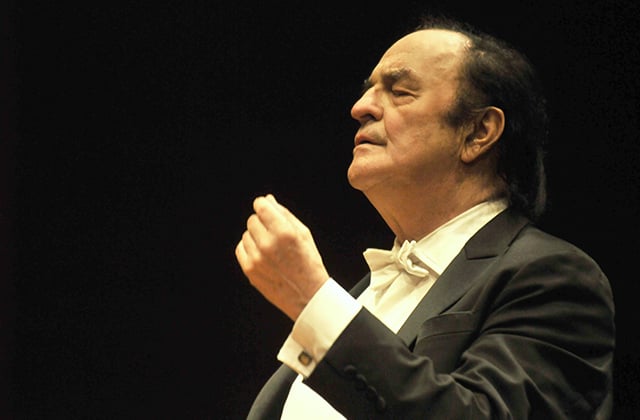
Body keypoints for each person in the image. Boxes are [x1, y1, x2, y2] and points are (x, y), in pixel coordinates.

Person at [235, 15, 615, 419]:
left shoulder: (553, 277)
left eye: (399, 91)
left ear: (478, 132)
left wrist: (314, 299)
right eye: (368, 91)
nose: (360, 108)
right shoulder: (368, 289)